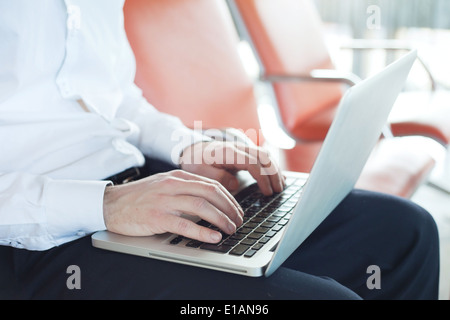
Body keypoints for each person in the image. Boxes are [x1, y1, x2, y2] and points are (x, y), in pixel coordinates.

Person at [0, 0, 440, 300]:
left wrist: (190, 145)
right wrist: (105, 204)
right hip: (33, 234)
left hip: (138, 179)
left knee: (406, 233)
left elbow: (117, 97)